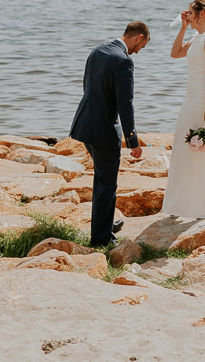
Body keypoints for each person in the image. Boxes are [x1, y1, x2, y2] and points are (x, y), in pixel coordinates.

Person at [69, 21, 149, 246]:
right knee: (106, 184)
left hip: (84, 124)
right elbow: (126, 103)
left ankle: (104, 223)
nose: (138, 51)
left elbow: (87, 86)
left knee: (101, 179)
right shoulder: (124, 60)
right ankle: (101, 239)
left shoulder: (97, 50)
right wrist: (132, 140)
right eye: (141, 47)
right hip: (104, 130)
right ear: (139, 37)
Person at [161, 0, 205, 218]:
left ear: (202, 14)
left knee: (199, 148)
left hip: (203, 101)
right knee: (182, 146)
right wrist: (184, 26)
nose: (187, 13)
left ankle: (204, 207)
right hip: (190, 99)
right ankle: (180, 204)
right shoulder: (197, 37)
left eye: (191, 12)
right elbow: (175, 53)